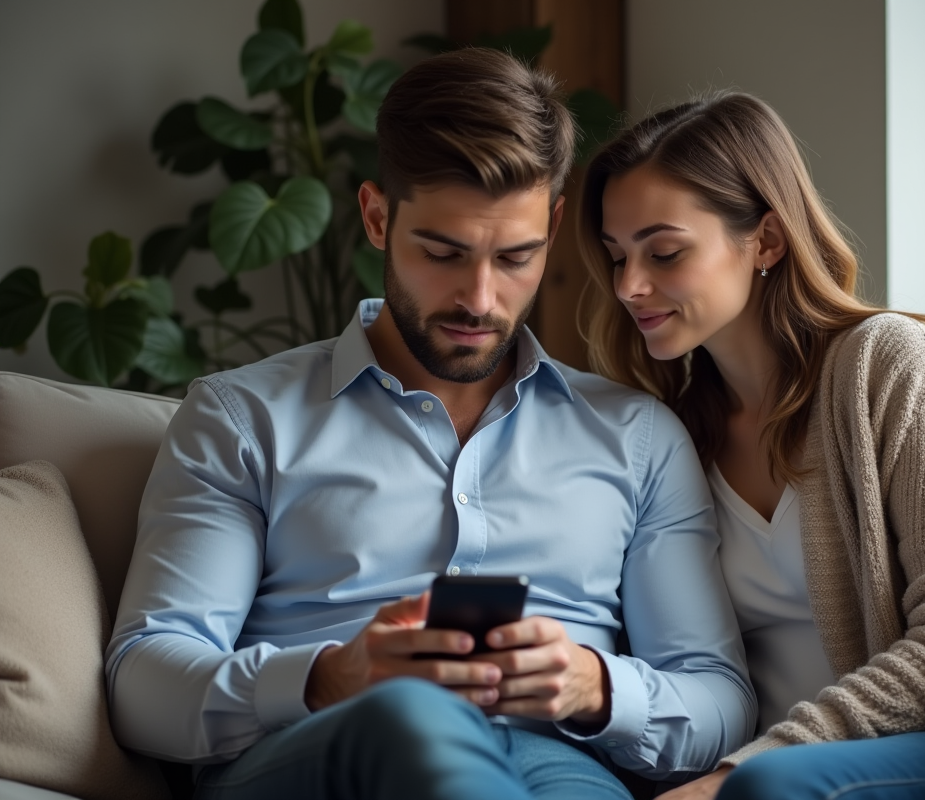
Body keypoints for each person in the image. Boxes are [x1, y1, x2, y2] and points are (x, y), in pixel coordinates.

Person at [104, 50, 755, 800]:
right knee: (409, 717)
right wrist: (325, 678)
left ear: (553, 223)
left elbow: (720, 701)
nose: (480, 298)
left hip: (558, 767)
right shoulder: (242, 418)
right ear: (378, 217)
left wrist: (596, 688)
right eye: (443, 254)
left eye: (516, 257)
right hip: (323, 753)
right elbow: (143, 682)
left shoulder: (637, 437)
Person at [577, 92, 925, 799]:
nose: (631, 286)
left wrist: (747, 768)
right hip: (745, 771)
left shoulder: (888, 365)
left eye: (665, 252)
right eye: (617, 257)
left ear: (764, 239)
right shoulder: (665, 432)